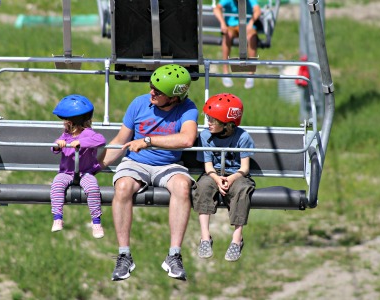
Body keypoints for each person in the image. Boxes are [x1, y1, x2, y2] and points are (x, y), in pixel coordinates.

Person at [99, 64, 198, 281]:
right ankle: (124, 255)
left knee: (183, 186)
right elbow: (120, 140)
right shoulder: (139, 103)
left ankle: (174, 255)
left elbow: (187, 139)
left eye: (158, 91)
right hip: (136, 164)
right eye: (152, 86)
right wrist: (96, 166)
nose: (151, 92)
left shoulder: (188, 109)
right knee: (123, 186)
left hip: (167, 165)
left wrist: (148, 140)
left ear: (174, 97)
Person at [192, 93, 255, 262]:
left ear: (227, 124)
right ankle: (205, 237)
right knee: (203, 186)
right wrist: (217, 179)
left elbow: (245, 168)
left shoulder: (242, 137)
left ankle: (237, 239)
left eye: (213, 120)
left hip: (237, 175)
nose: (208, 123)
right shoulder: (206, 136)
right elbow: (208, 167)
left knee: (242, 190)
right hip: (213, 174)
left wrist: (230, 179)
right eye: (208, 118)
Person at [50, 94, 106, 239]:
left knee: (93, 188)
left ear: (74, 121)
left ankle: (96, 222)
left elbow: (100, 140)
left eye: (66, 122)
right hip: (66, 172)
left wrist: (82, 143)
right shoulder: (66, 135)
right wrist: (57, 146)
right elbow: (55, 148)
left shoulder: (89, 134)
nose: (64, 124)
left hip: (85, 173)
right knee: (56, 185)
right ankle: (57, 217)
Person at [213, 0, 261, 89]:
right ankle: (225, 71)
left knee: (252, 37)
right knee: (227, 35)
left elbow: (257, 10)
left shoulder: (250, 1)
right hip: (232, 27)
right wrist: (222, 23)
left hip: (246, 26)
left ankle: (250, 74)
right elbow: (216, 8)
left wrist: (251, 23)